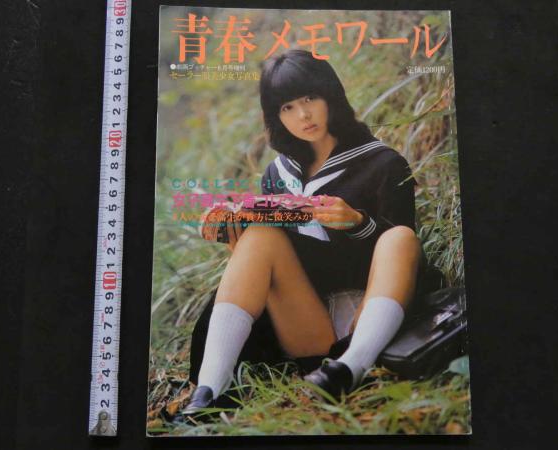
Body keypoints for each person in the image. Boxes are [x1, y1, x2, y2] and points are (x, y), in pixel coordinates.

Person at [181, 49, 426, 417]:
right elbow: (280, 266)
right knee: (260, 237)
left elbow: (406, 257)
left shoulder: (383, 163)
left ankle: (350, 368)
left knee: (400, 238)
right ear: (276, 116)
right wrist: (240, 245)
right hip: (309, 325)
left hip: (375, 319)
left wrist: (358, 223)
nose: (303, 115)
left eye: (310, 98)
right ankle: (208, 392)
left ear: (331, 96)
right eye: (288, 107)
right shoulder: (277, 174)